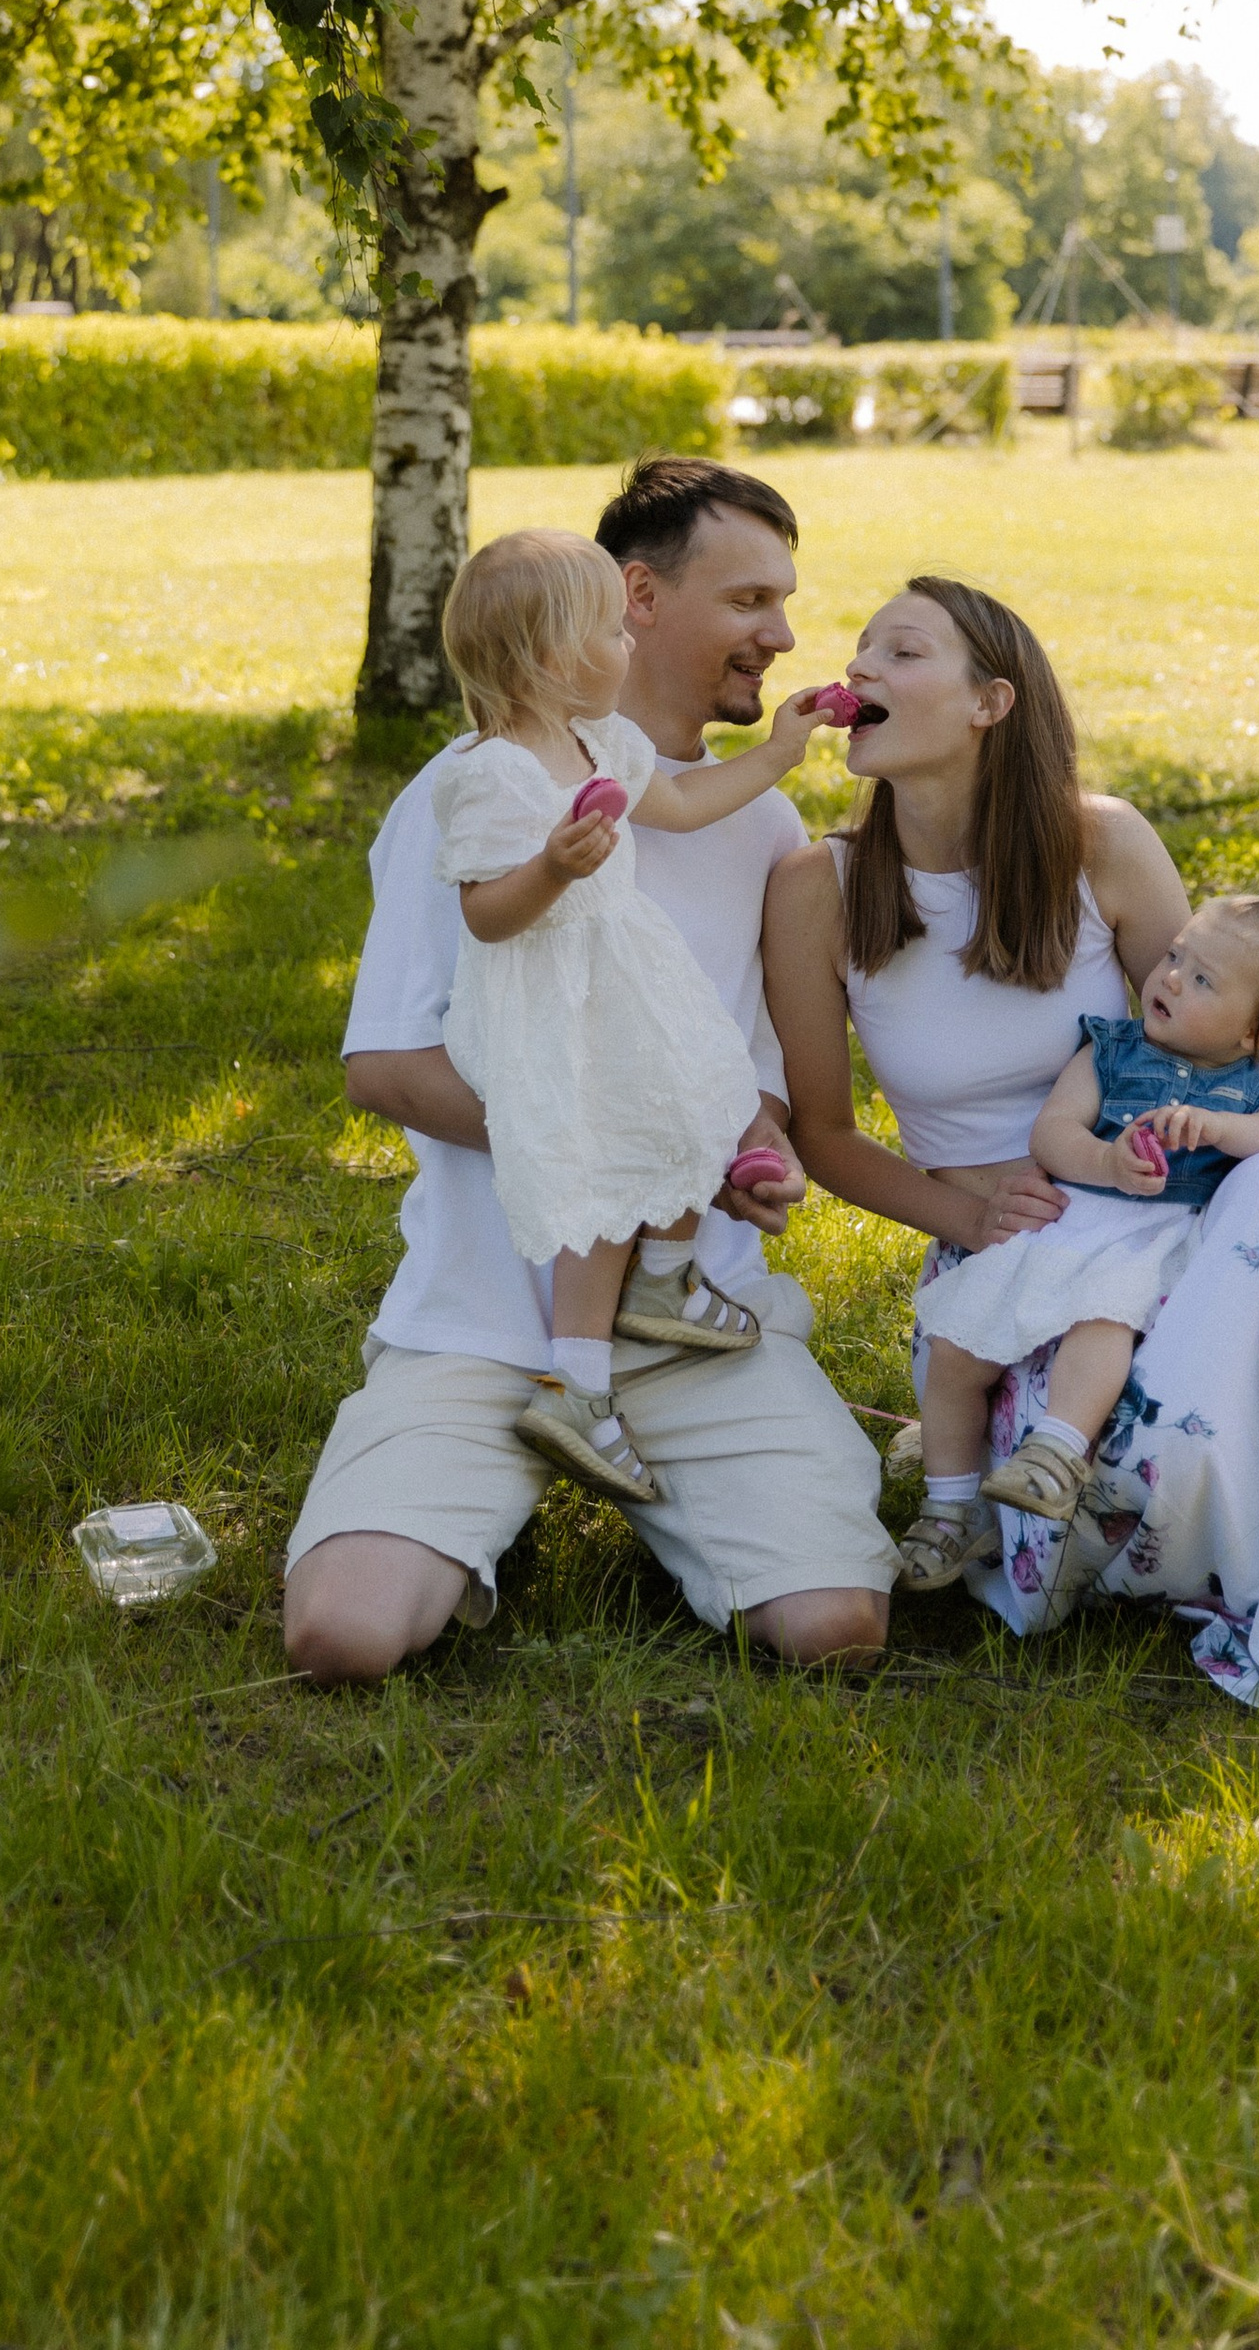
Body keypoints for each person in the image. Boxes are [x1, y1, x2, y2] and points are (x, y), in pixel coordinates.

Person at [767, 575, 1259, 1710]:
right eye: (860, 650)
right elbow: (824, 1135)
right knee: (1102, 1477)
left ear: (990, 703)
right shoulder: (817, 889)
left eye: (901, 651)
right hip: (1005, 1262)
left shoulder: (1101, 845)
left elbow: (1224, 1031)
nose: (861, 669)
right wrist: (969, 1218)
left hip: (1168, 1238)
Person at [283, 460, 895, 1682]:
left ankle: (655, 1455)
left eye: (784, 603)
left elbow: (752, 1085)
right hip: (482, 1324)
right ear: (634, 600)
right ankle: (495, 1484)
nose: (779, 634)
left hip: (690, 1323)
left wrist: (745, 1159)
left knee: (832, 1629)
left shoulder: (759, 828)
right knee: (343, 1637)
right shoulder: (469, 798)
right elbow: (388, 1071)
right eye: (749, 601)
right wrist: (628, 1140)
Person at [432, 524, 845, 1503]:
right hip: (552, 999)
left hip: (624, 976)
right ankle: (580, 1386)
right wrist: (549, 868)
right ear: (547, 656)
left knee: (702, 1099)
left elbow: (690, 805)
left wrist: (784, 751)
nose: (630, 648)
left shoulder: (602, 742)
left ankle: (661, 1284)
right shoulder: (493, 773)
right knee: (609, 1160)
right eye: (612, 634)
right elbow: (486, 917)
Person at [905, 880, 1259, 1562]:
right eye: (1175, 957)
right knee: (957, 1346)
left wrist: (1220, 1126)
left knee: (1103, 1323)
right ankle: (947, 1507)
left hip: (1157, 1240)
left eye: (1202, 980)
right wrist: (1105, 1163)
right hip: (1073, 1219)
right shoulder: (1111, 1049)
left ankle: (1055, 1453)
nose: (1169, 978)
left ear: (1256, 1033)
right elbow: (1054, 1132)